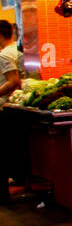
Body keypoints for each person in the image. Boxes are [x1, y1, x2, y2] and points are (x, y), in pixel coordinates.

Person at [0, 19, 28, 203]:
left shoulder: (3, 55)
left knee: (5, 152)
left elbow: (13, 81)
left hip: (5, 108)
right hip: (18, 108)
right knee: (17, 150)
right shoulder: (17, 51)